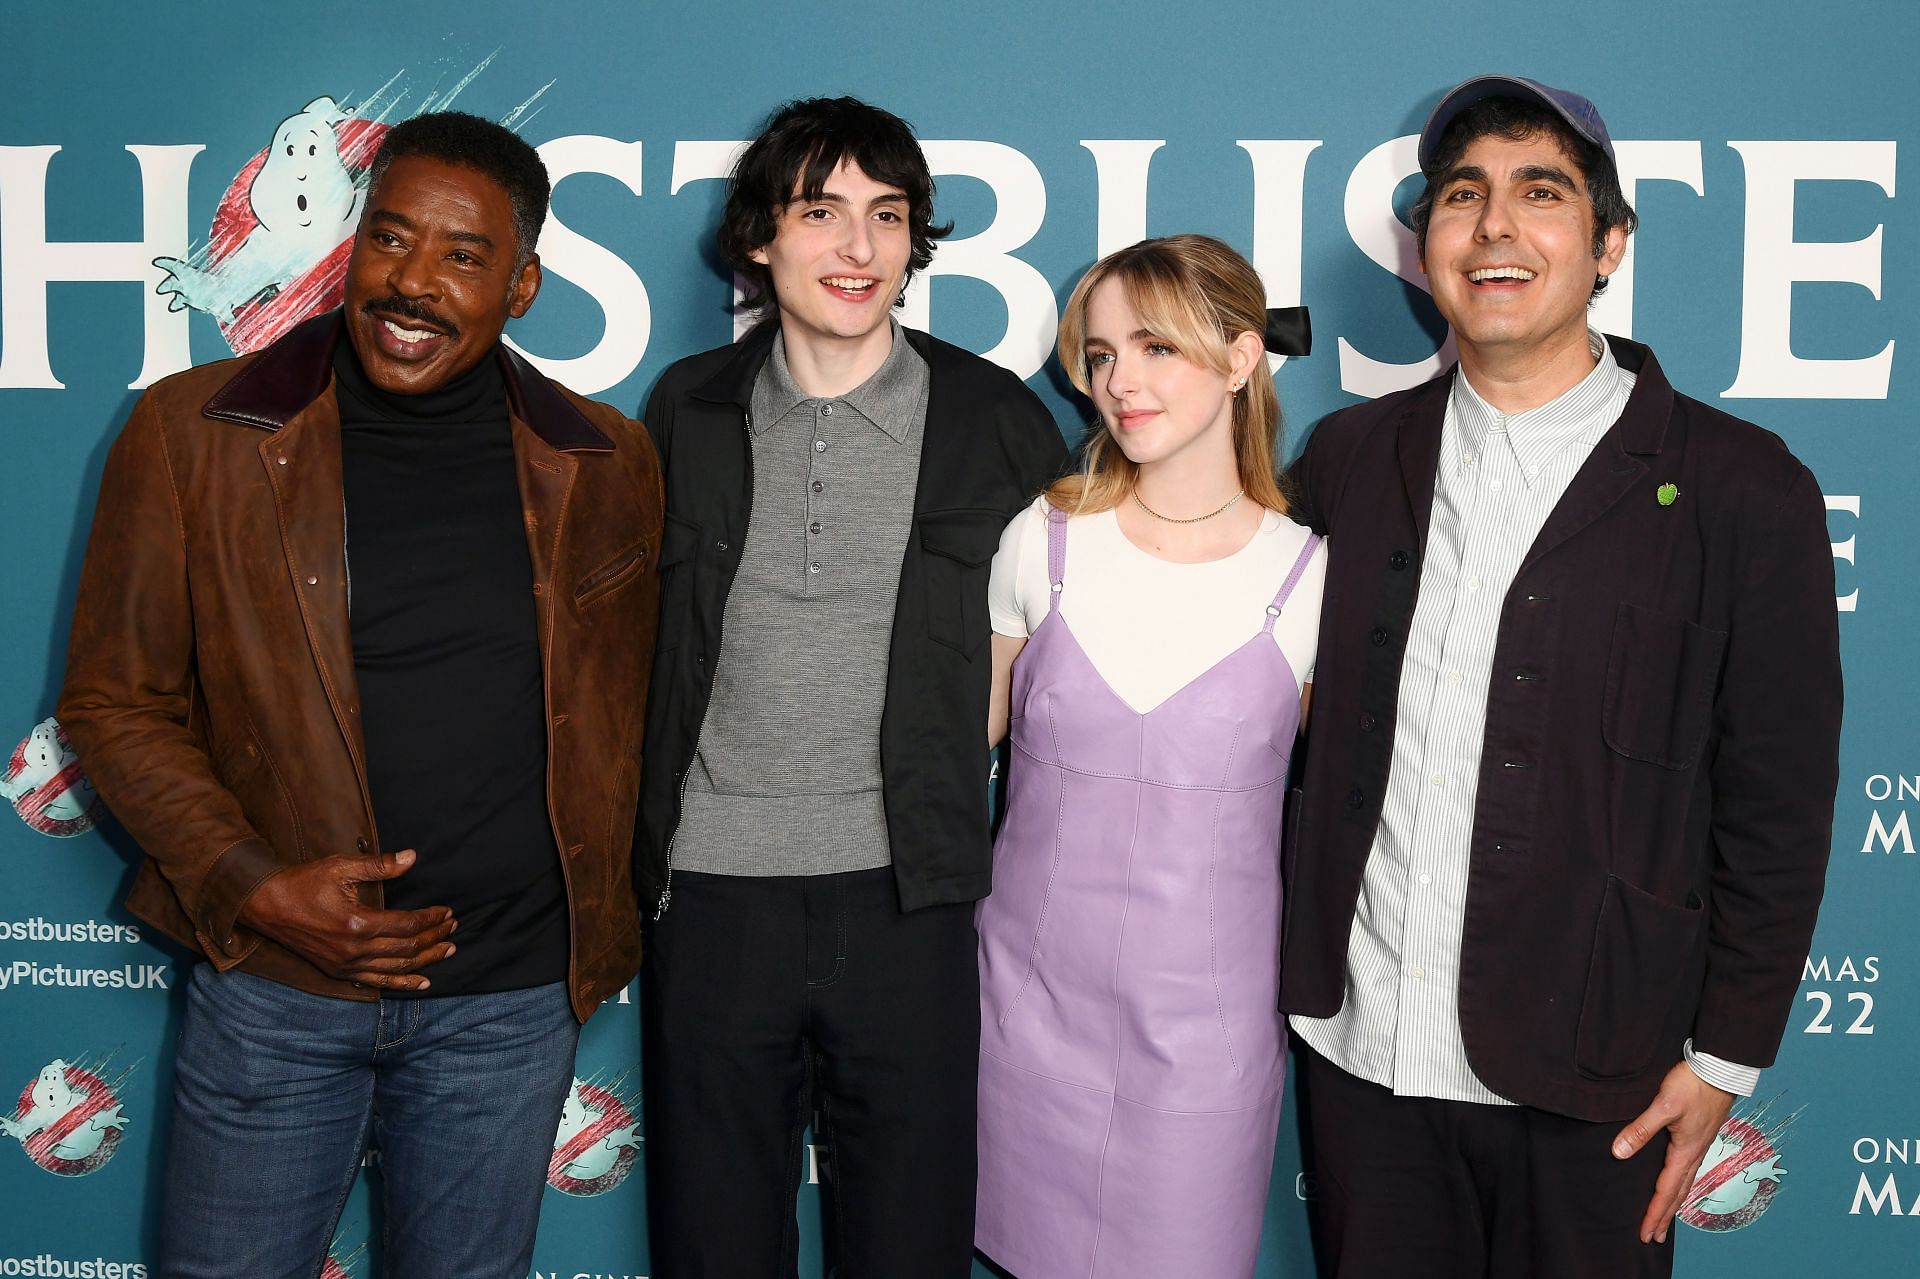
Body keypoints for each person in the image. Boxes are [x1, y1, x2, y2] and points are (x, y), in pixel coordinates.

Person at [57, 112, 662, 1279]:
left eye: (463, 256)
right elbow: (113, 703)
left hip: (509, 1003)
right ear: (350, 246)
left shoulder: (606, 460)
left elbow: (632, 706)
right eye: (390, 239)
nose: (413, 283)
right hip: (281, 998)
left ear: (523, 285)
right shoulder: (197, 433)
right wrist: (255, 885)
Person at [1282, 75, 1842, 1278]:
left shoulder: (1745, 489)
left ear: (1609, 244)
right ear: (1424, 241)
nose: (1495, 227)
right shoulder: (1348, 457)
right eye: (1463, 195)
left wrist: (1726, 1055)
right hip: (1363, 1053)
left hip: (1603, 1076)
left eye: (1542, 194)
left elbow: (1778, 801)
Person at [635, 96, 1067, 1276]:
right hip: (713, 895)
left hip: (909, 897)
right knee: (713, 1243)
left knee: (911, 1244)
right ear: (760, 240)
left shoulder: (997, 420)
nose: (860, 249)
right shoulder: (687, 408)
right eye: (821, 212)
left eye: (888, 216)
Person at [975, 235, 1322, 1278]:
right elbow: (947, 760)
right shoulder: (1041, 539)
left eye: (1156, 347)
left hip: (1204, 1051)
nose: (1119, 382)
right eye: (1099, 354)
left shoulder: (1312, 577)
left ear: (1240, 359)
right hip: (1021, 1021)